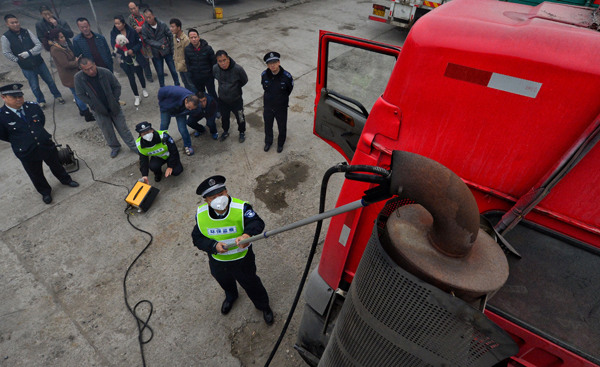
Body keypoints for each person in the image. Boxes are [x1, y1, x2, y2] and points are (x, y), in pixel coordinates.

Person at [192, 175, 274, 325]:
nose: (219, 200)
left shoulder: (241, 208)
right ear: (207, 201)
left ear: (227, 192)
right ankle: (231, 296)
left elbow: (257, 222)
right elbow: (197, 238)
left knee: (251, 283)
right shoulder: (201, 214)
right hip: (218, 261)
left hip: (242, 259)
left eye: (221, 194)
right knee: (224, 281)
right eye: (213, 197)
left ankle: (263, 306)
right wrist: (212, 246)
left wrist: (246, 235)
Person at [0, 83, 79, 204]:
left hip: (45, 145)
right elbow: (4, 135)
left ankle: (66, 180)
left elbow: (40, 121)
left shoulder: (32, 107)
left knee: (56, 164)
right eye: (14, 97)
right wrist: (23, 140)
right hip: (26, 151)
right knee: (35, 173)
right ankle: (45, 192)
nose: (18, 99)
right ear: (3, 97)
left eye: (20, 96)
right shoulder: (1, 116)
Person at [74, 58, 137, 158]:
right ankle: (115, 147)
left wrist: (114, 99)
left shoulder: (105, 72)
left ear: (95, 64)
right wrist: (93, 104)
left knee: (123, 128)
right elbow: (80, 94)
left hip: (114, 106)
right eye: (87, 70)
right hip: (98, 110)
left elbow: (117, 86)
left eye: (92, 67)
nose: (91, 71)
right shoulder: (79, 78)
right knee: (107, 131)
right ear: (82, 69)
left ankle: (133, 146)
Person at [2, 14, 64, 108]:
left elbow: (38, 45)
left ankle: (58, 96)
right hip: (26, 67)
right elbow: (6, 52)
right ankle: (41, 101)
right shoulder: (5, 37)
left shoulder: (26, 32)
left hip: (39, 62)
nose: (15, 24)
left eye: (16, 22)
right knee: (34, 86)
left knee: (50, 81)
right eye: (12, 23)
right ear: (7, 24)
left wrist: (29, 53)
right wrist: (17, 59)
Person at [47, 29, 95, 122]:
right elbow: (65, 64)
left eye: (63, 36)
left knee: (76, 93)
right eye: (61, 37)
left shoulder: (61, 46)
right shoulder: (56, 49)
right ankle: (86, 114)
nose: (64, 39)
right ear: (55, 39)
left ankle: (82, 110)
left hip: (72, 74)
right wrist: (76, 62)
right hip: (70, 76)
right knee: (79, 95)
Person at [110, 15, 148, 107]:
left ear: (123, 23)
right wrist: (123, 51)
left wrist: (133, 50)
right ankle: (136, 96)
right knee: (131, 78)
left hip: (135, 56)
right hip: (125, 59)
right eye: (115, 24)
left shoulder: (131, 31)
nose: (117, 25)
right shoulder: (113, 33)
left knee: (140, 74)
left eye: (119, 23)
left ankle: (144, 88)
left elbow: (139, 44)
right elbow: (113, 45)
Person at [213, 50, 248, 143]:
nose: (223, 63)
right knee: (224, 117)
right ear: (217, 61)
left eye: (224, 60)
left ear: (228, 59)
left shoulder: (238, 69)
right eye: (220, 61)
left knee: (240, 117)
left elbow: (244, 80)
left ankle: (241, 132)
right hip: (223, 100)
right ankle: (225, 131)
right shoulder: (215, 68)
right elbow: (215, 77)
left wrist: (234, 89)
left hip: (236, 100)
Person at [261, 52, 293, 153]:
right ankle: (268, 142)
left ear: (279, 62)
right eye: (270, 63)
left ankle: (280, 144)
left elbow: (289, 90)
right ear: (267, 65)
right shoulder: (264, 75)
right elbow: (264, 87)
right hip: (268, 107)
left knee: (282, 126)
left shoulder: (287, 77)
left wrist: (281, 99)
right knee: (268, 125)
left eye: (274, 62)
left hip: (281, 107)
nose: (272, 65)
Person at [141, 9, 179, 88]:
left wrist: (172, 49)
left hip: (167, 51)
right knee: (160, 73)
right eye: (146, 18)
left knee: (173, 70)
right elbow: (146, 39)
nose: (148, 19)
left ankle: (177, 85)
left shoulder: (162, 24)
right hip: (156, 53)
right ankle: (163, 89)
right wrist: (158, 45)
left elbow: (170, 35)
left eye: (149, 17)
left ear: (153, 16)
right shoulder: (144, 27)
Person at [157, 85, 198, 156]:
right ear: (186, 100)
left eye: (192, 108)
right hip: (167, 109)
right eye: (189, 107)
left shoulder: (193, 102)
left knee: (182, 128)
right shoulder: (176, 92)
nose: (190, 110)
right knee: (164, 125)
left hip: (181, 111)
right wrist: (163, 104)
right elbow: (161, 91)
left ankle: (188, 145)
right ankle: (161, 144)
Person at [184, 29, 216, 99]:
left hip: (208, 77)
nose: (194, 39)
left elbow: (214, 62)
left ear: (199, 37)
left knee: (212, 93)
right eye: (191, 38)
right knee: (201, 96)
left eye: (195, 37)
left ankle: (216, 108)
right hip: (196, 78)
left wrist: (212, 74)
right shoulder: (187, 50)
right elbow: (188, 63)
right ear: (189, 39)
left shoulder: (207, 48)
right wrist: (191, 75)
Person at [127, 2, 153, 82]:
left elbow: (149, 24)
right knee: (145, 59)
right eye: (131, 9)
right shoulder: (130, 18)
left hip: (149, 39)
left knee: (154, 56)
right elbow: (136, 29)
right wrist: (144, 28)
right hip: (140, 40)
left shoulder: (143, 15)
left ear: (137, 7)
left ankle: (160, 71)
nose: (133, 10)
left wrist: (142, 28)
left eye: (134, 8)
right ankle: (148, 76)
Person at [169, 18, 195, 92]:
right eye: (171, 27)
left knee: (191, 84)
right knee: (185, 83)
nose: (171, 29)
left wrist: (184, 64)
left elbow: (189, 55)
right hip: (179, 66)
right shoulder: (174, 37)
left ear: (179, 27)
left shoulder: (186, 40)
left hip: (186, 67)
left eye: (173, 27)